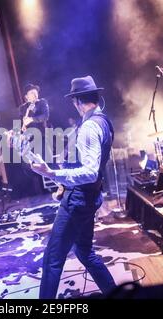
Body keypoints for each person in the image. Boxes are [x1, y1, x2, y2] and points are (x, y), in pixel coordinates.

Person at [30, 75, 116, 299]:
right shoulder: (103, 120)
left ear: (77, 100)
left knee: (52, 259)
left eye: (73, 101)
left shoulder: (88, 127)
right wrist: (66, 162)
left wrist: (52, 173)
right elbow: (92, 164)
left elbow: (89, 172)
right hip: (90, 197)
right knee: (85, 252)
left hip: (78, 200)